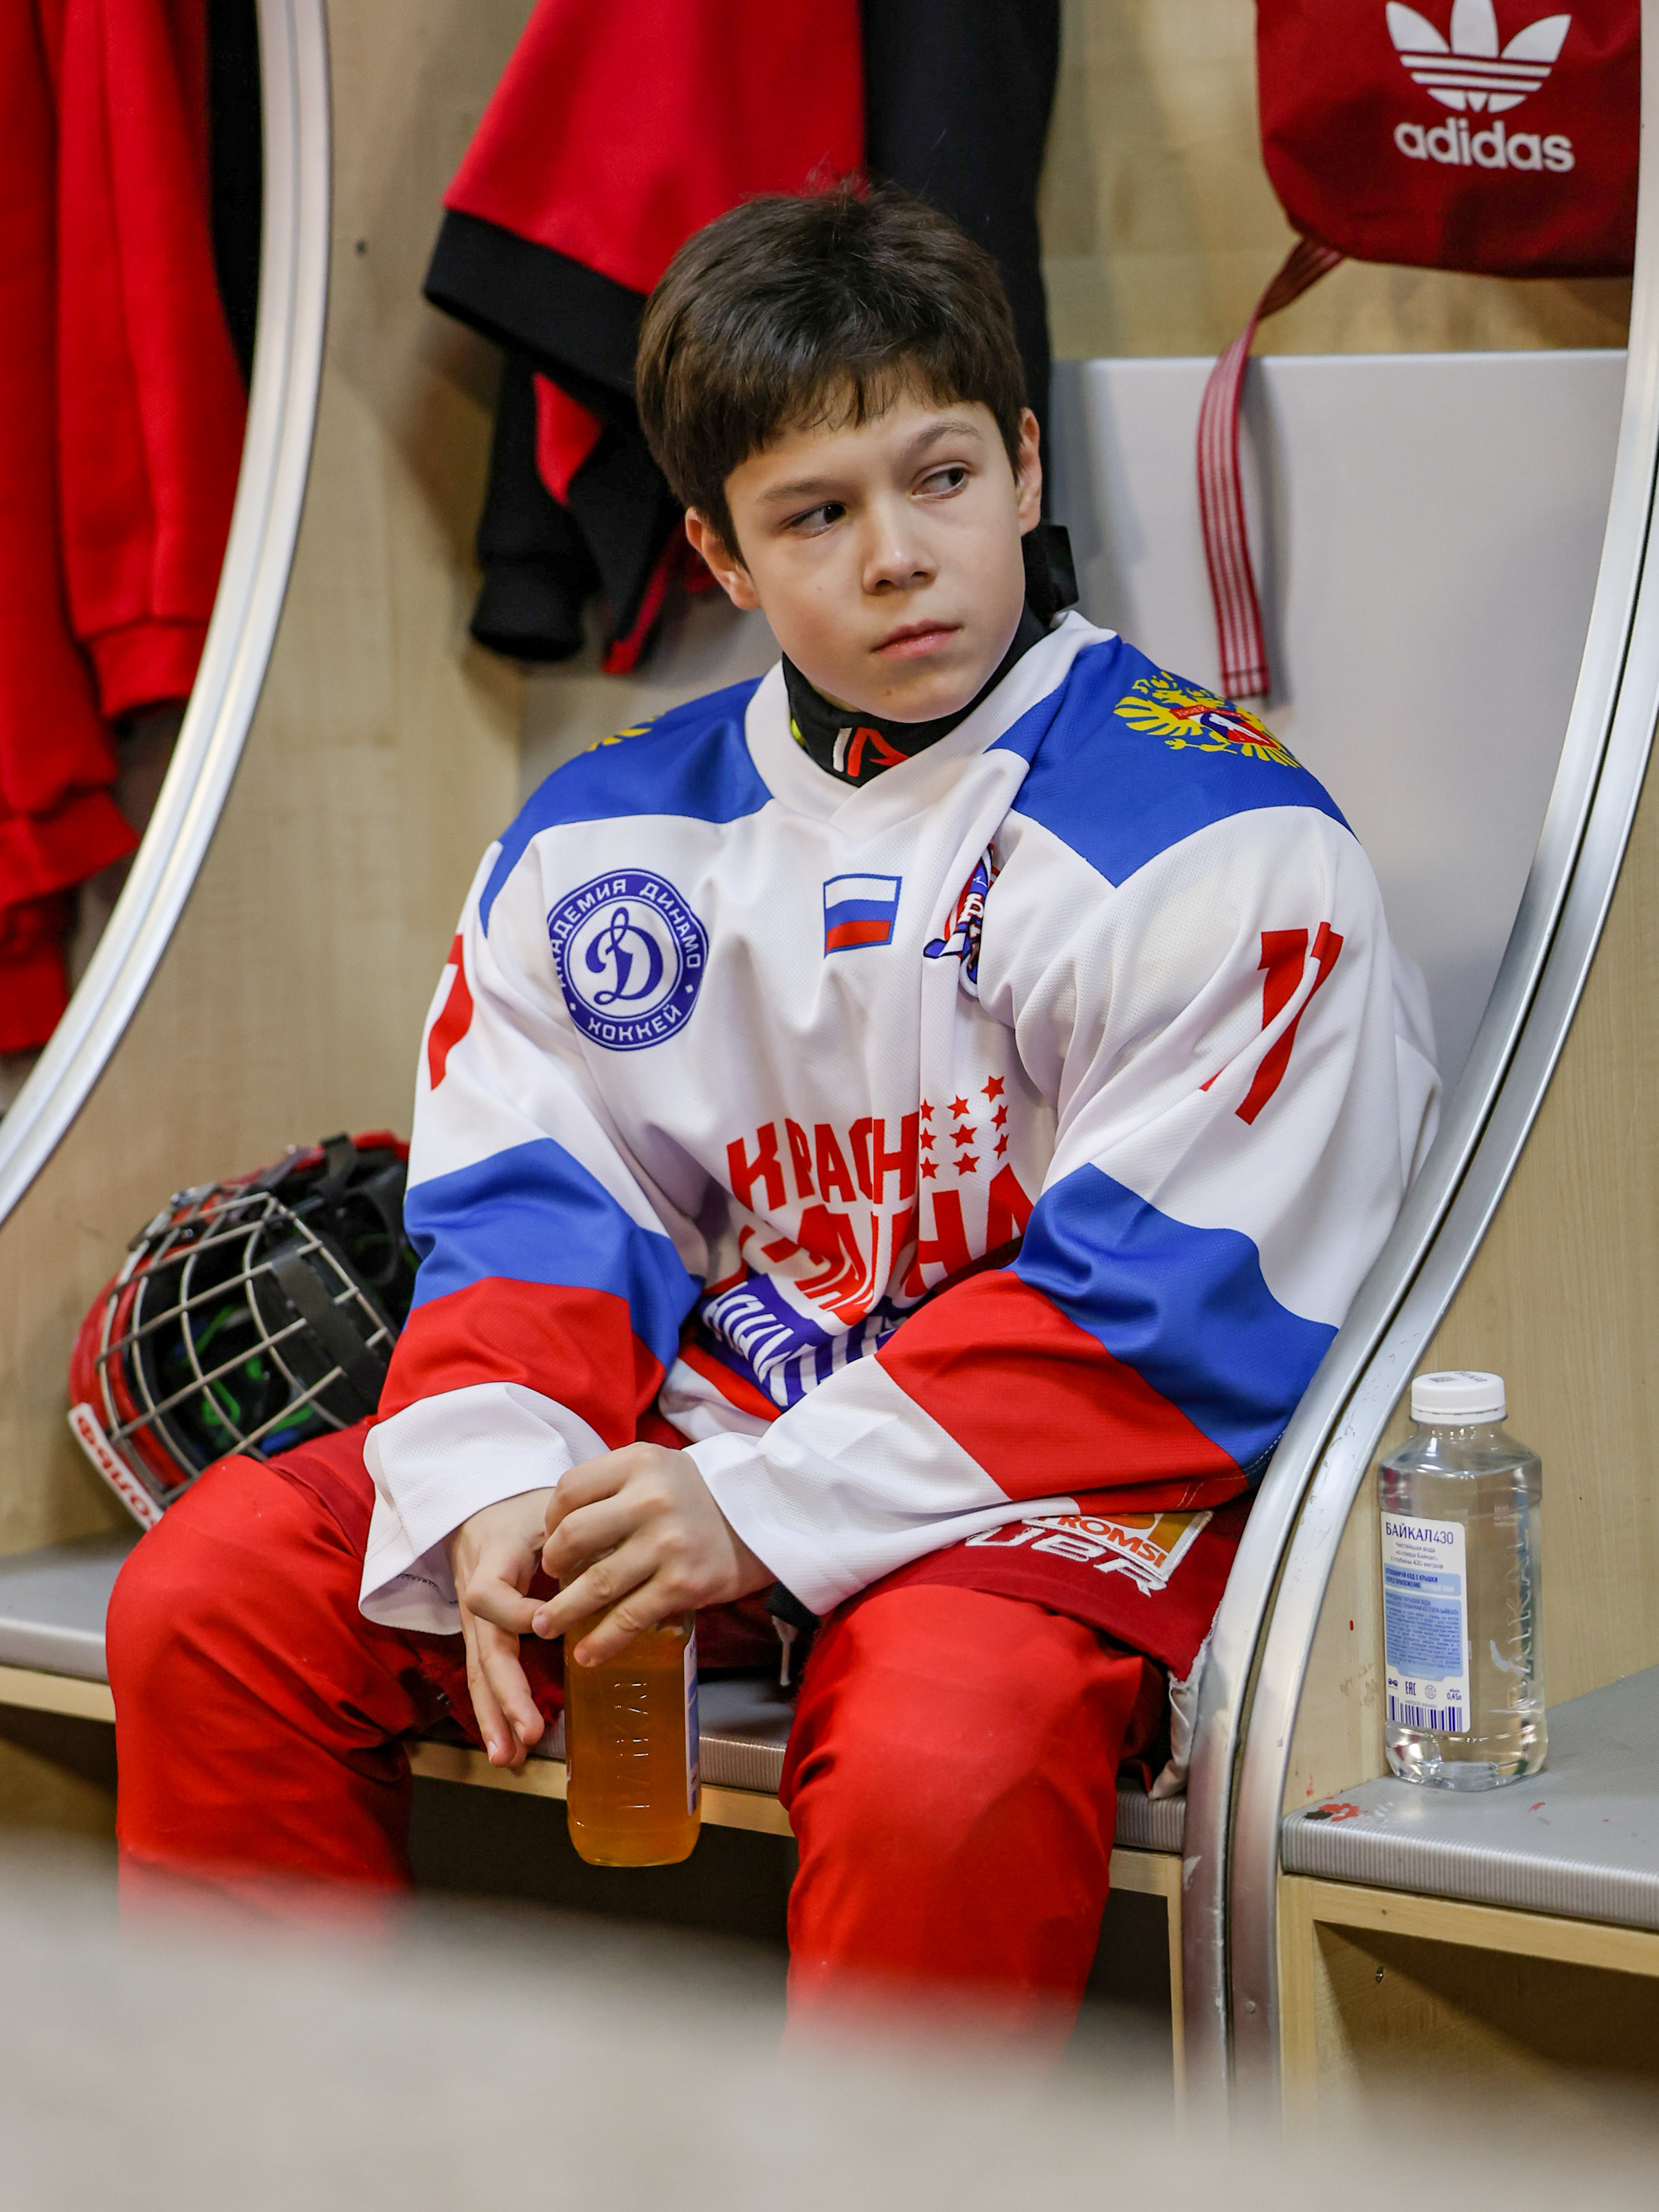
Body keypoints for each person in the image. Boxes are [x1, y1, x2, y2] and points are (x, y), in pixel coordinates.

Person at [108, 186, 1439, 2040]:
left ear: (1025, 464)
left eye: (943, 478)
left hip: (1044, 1484)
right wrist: (493, 1486)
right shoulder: (602, 839)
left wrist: (757, 1506)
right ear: (720, 555)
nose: (900, 559)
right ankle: (268, 2146)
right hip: (704, 1451)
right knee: (222, 1590)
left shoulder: (1220, 841)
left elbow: (1168, 1324)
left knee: (942, 1750)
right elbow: (532, 1210)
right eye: (816, 514)